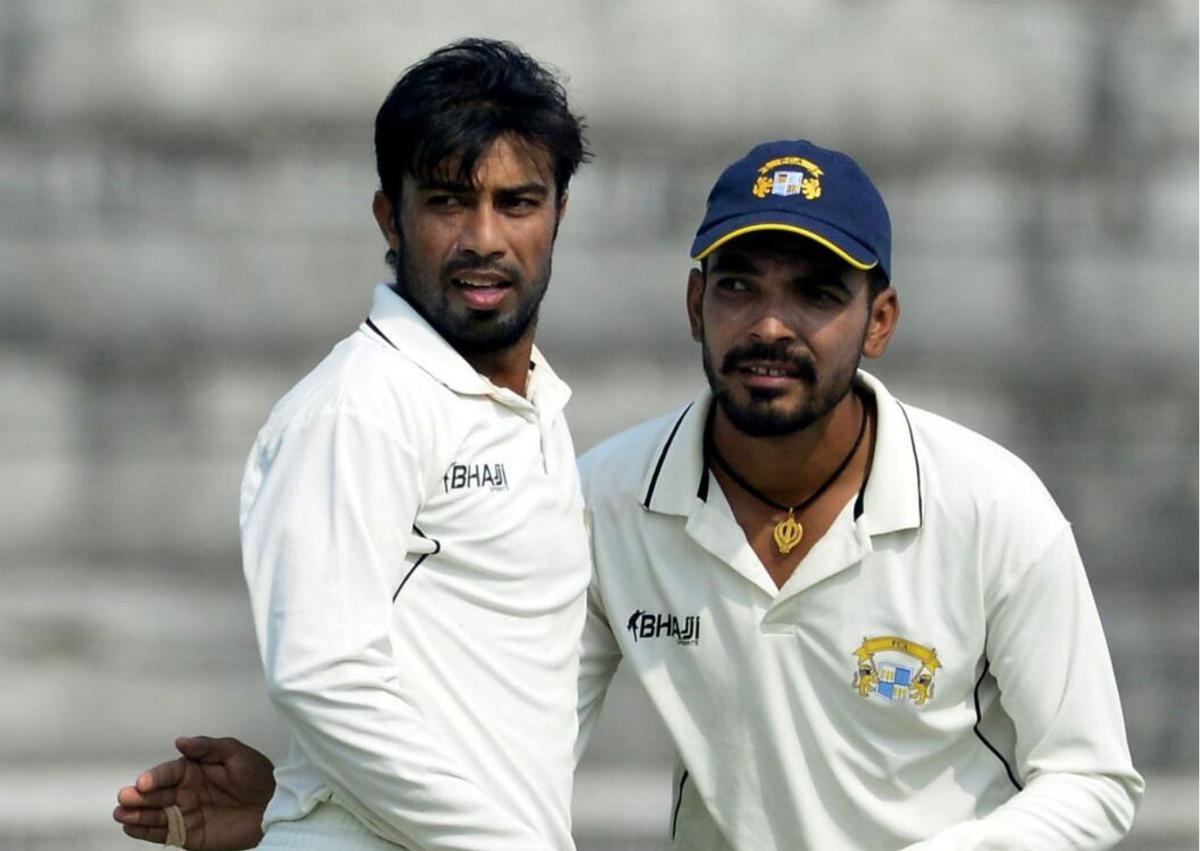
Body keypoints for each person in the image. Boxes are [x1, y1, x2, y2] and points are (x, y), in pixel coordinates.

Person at [116, 139, 1144, 849]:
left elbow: (1094, 779)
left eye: (817, 292)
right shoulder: (603, 497)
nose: (771, 325)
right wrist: (300, 806)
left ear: (880, 320)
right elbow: (498, 739)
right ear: (696, 301)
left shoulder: (991, 504)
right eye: (740, 284)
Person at [115, 37, 593, 851]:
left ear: (557, 215)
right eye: (449, 201)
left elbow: (495, 696)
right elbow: (323, 675)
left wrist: (294, 793)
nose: (485, 237)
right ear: (390, 216)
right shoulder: (356, 407)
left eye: (517, 202)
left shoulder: (536, 403)